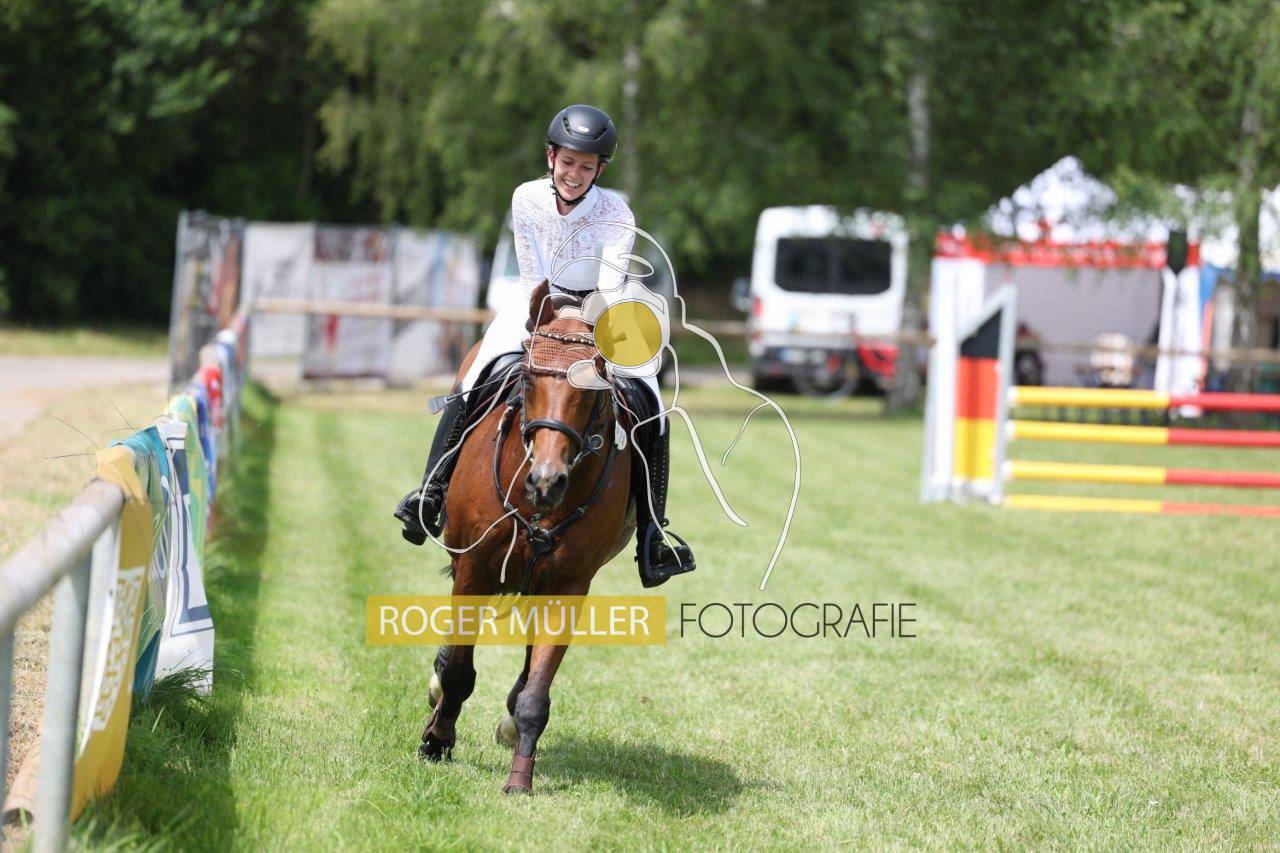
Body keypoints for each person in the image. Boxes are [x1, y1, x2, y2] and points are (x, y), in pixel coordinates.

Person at [394, 104, 695, 587]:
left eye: (586, 166)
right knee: (477, 373)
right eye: (568, 162)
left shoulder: (617, 212)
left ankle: (653, 535)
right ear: (551, 157)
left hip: (601, 307)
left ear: (600, 170)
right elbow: (533, 273)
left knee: (651, 398)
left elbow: (610, 285)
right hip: (538, 300)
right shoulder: (526, 198)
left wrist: (585, 327)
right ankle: (429, 493)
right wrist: (548, 320)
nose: (574, 174)